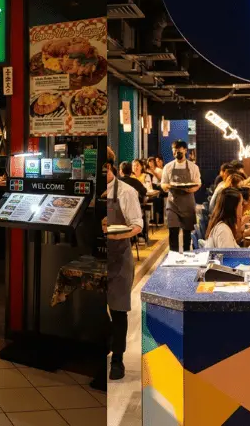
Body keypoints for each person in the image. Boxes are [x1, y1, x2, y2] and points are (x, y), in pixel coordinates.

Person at [102, 161, 143, 382]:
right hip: (96, 257)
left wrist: (118, 235)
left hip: (118, 257)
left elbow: (137, 224)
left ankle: (117, 360)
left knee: (118, 310)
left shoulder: (126, 192)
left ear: (110, 167)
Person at [161, 140, 201, 252]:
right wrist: (168, 186)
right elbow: (163, 184)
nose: (176, 153)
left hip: (188, 203)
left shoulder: (193, 167)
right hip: (172, 204)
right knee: (173, 232)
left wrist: (191, 189)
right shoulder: (168, 167)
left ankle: (186, 255)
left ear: (185, 151)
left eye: (179, 151)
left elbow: (198, 183)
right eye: (174, 151)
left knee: (187, 234)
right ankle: (173, 256)